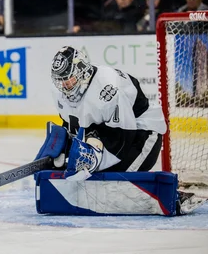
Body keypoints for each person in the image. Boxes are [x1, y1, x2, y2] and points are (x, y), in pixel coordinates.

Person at [47, 46, 204, 214]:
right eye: (60, 80)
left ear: (81, 71)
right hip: (111, 133)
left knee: (115, 182)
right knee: (92, 178)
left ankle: (174, 198)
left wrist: (94, 162)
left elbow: (122, 140)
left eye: (68, 78)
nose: (64, 85)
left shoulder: (107, 88)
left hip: (143, 134)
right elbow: (73, 125)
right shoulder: (62, 92)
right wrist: (63, 149)